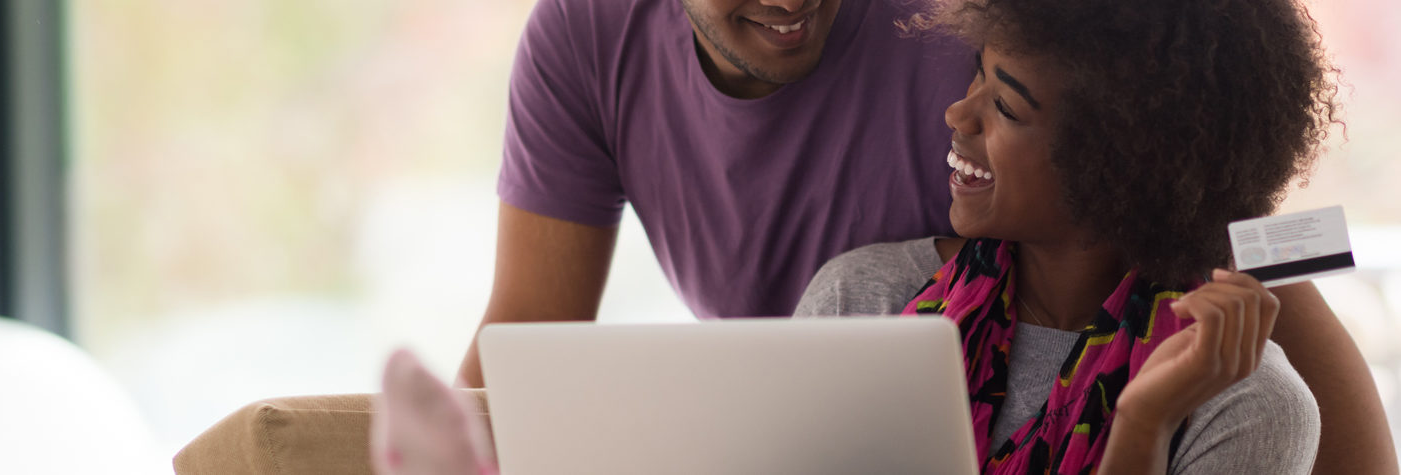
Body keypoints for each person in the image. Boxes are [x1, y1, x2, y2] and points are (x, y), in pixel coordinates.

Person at [456, 0, 1397, 471]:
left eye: (1001, 102)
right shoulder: (587, 38)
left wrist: (1164, 413)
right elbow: (530, 330)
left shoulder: (971, 24)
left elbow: (1212, 202)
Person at [792, 0, 1339, 470]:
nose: (958, 113)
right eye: (978, 71)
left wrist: (1143, 425)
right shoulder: (863, 301)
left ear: (1119, 162)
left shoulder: (1246, 405)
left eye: (1006, 106)